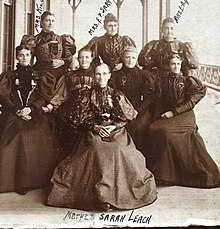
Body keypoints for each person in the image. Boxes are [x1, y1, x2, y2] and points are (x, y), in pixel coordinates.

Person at [47, 63, 157, 211]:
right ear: (94, 76)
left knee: (117, 149)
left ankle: (113, 195)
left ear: (109, 75)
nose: (101, 77)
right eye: (98, 74)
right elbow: (79, 118)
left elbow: (128, 116)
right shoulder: (85, 95)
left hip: (115, 131)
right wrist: (95, 127)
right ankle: (100, 196)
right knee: (96, 148)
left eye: (104, 74)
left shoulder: (116, 94)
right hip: (93, 130)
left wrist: (113, 126)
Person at [147, 53, 220, 188]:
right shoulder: (162, 81)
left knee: (167, 132)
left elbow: (190, 103)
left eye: (178, 64)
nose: (175, 66)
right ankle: (166, 174)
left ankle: (179, 174)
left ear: (181, 66)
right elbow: (158, 100)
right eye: (173, 64)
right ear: (168, 66)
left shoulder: (188, 81)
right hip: (169, 114)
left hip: (184, 114)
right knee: (154, 128)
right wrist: (158, 114)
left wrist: (173, 112)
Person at [0, 45, 56, 195]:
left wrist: (30, 109)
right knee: (16, 135)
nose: (24, 57)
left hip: (33, 113)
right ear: (17, 57)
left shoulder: (39, 75)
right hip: (14, 113)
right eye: (21, 55)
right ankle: (16, 182)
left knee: (38, 132)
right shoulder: (9, 76)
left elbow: (43, 97)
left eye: (27, 55)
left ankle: (36, 180)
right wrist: (17, 111)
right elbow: (4, 98)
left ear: (31, 56)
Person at [43, 46, 95, 160]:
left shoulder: (98, 74)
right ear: (78, 59)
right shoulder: (69, 76)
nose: (84, 60)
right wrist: (50, 107)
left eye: (87, 57)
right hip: (70, 111)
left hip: (91, 112)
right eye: (81, 57)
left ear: (92, 58)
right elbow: (61, 95)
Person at [109, 46, 158, 153]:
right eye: (127, 57)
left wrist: (136, 111)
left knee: (139, 127)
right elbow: (112, 94)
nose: (130, 60)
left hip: (139, 108)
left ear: (136, 60)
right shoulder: (116, 75)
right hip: (120, 108)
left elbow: (149, 98)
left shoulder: (143, 75)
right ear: (122, 58)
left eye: (133, 58)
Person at [21, 11, 76, 81]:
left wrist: (62, 62)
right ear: (41, 22)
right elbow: (26, 58)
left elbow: (69, 58)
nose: (50, 23)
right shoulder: (35, 40)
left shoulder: (62, 40)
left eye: (52, 21)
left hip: (59, 75)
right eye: (47, 20)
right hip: (41, 74)